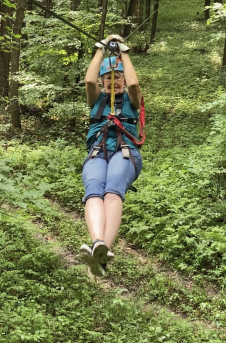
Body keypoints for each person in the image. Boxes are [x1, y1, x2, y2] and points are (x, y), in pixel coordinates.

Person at [79, 35, 143, 276]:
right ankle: (98, 245)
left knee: (113, 188)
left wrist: (123, 53)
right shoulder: (97, 100)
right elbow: (88, 80)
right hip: (98, 151)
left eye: (118, 78)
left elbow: (135, 86)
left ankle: (104, 249)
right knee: (93, 189)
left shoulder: (131, 99)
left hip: (125, 151)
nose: (113, 82)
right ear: (103, 81)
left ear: (123, 80)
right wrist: (101, 48)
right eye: (109, 78)